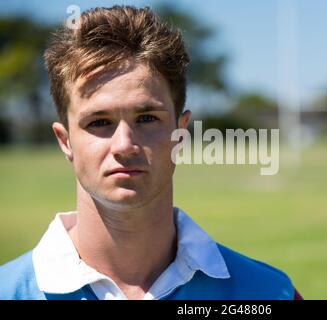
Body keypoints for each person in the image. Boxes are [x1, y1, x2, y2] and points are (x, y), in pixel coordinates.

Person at [0, 6, 302, 300]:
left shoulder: (269, 293)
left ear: (180, 133)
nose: (124, 145)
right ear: (65, 140)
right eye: (99, 122)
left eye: (147, 118)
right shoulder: (9, 290)